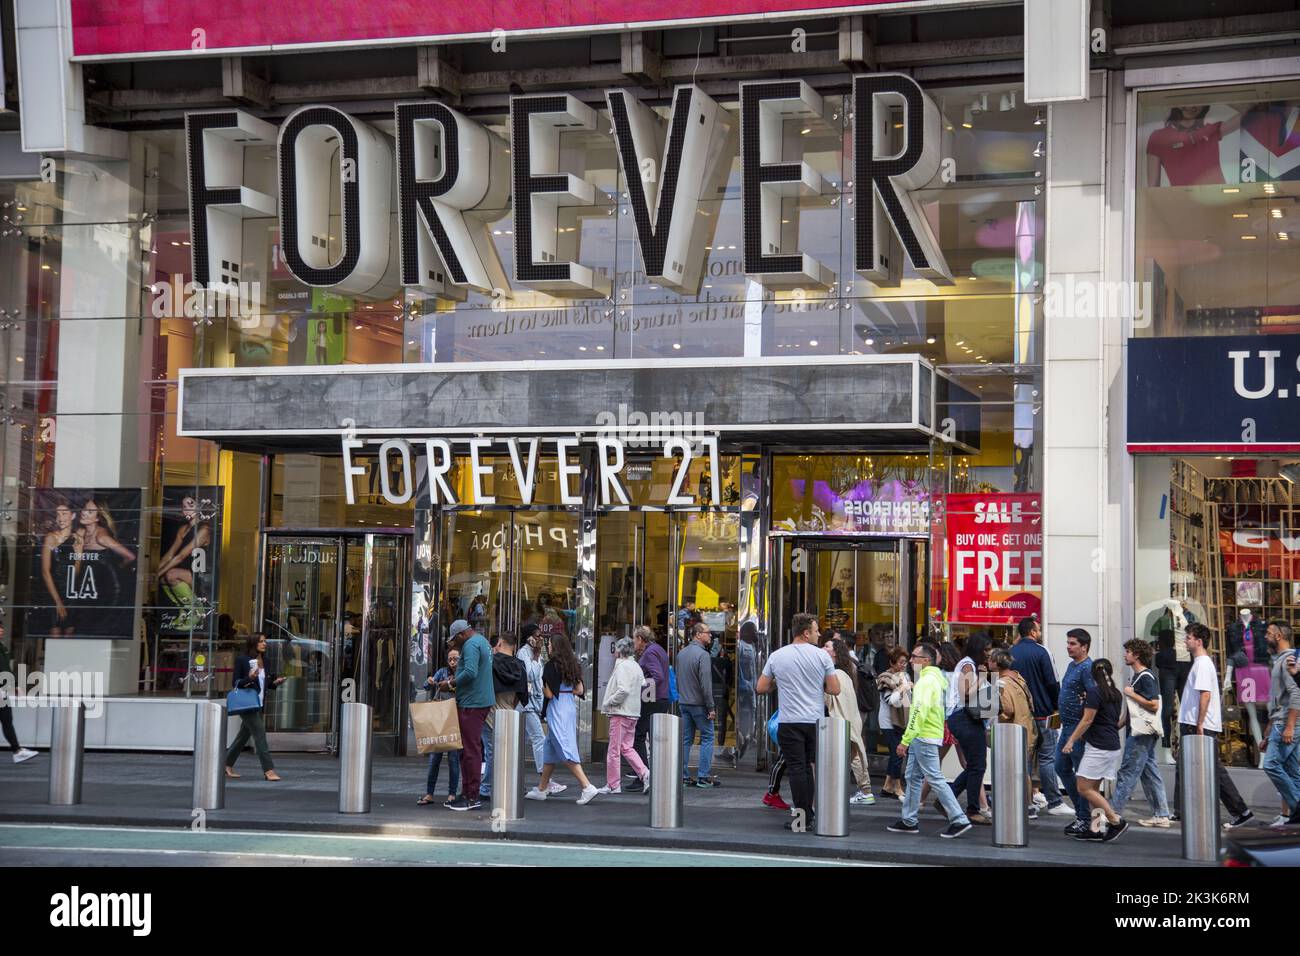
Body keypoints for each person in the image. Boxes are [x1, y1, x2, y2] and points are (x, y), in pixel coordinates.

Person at [757, 613, 840, 830]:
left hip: (789, 720)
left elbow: (761, 687)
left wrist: (778, 682)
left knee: (796, 769)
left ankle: (802, 818)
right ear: (805, 633)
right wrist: (816, 684)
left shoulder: (777, 656)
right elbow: (834, 689)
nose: (819, 634)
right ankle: (809, 815)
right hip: (814, 721)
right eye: (815, 630)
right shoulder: (822, 657)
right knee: (808, 768)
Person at [1172, 623, 1253, 828]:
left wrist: (1199, 724)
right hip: (1193, 723)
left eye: (1188, 637)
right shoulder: (1200, 663)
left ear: (1198, 641)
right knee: (1183, 766)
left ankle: (1241, 811)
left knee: (1214, 770)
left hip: (1197, 725)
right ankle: (1181, 810)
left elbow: (1205, 695)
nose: (1185, 640)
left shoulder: (1202, 664)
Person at [886, 642, 971, 838]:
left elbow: (918, 711)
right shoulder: (934, 679)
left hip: (923, 736)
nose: (911, 660)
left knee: (934, 778)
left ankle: (959, 818)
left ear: (926, 660)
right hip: (926, 735)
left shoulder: (926, 682)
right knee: (914, 777)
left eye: (915, 656)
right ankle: (909, 820)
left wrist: (905, 740)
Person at [525, 634, 600, 805]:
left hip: (557, 708)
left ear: (555, 647)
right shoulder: (573, 664)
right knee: (550, 748)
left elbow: (549, 694)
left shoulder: (551, 666)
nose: (548, 647)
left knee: (564, 746)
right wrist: (567, 690)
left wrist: (544, 687)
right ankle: (542, 788)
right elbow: (580, 690)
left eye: (549, 644)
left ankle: (587, 786)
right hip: (569, 706)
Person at [1061, 659, 1129, 843]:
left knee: (1083, 787)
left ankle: (1115, 821)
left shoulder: (1094, 692)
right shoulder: (1115, 693)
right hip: (1110, 745)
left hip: (1099, 747)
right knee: (1094, 789)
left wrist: (1071, 740)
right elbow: (1106, 717)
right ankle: (1096, 828)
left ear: (1092, 674)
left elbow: (1087, 720)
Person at [1113, 639, 1173, 828]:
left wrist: (1131, 694)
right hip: (1142, 731)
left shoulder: (1146, 677)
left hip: (1141, 733)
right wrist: (1117, 726)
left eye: (1128, 651)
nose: (1125, 655)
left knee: (1127, 772)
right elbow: (1131, 712)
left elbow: (1154, 704)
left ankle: (1113, 813)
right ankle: (1161, 814)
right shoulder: (1138, 677)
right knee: (1149, 772)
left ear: (1137, 655)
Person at [1010, 615, 1064, 814]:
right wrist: (1057, 706)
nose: (1040, 632)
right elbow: (1053, 682)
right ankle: (1054, 801)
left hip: (1019, 716)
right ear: (1032, 632)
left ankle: (1025, 803)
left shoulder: (1011, 652)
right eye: (1038, 629)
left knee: (1023, 760)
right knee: (1047, 758)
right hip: (1043, 714)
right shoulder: (1043, 652)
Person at [446, 619, 493, 811]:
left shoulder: (471, 644)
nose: (454, 644)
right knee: (468, 749)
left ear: (460, 634)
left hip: (472, 702)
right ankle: (467, 793)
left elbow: (471, 672)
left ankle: (471, 796)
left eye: (454, 639)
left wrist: (451, 683)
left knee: (470, 750)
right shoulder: (482, 641)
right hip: (479, 700)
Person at [224, 633, 285, 781]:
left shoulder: (265, 660)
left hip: (259, 703)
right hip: (247, 704)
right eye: (261, 641)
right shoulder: (242, 660)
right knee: (260, 734)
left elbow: (265, 684)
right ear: (253, 643)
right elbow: (236, 683)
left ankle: (226, 764)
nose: (265, 644)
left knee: (243, 736)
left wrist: (275, 683)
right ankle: (268, 770)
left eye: (265, 641)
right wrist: (249, 678)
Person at [1055, 628, 1098, 835]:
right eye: (1068, 642)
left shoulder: (1088, 668)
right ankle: (1082, 814)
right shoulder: (1073, 665)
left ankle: (1086, 818)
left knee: (1082, 777)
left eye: (1073, 643)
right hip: (1067, 726)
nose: (1068, 646)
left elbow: (1094, 695)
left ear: (1084, 646)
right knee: (1060, 767)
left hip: (1078, 729)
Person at [948, 632, 993, 825]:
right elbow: (965, 694)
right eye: (986, 649)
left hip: (966, 718)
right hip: (964, 717)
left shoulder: (969, 664)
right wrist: (982, 678)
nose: (989, 653)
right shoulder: (968, 665)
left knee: (976, 765)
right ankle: (972, 809)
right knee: (977, 765)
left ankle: (948, 800)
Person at [823, 637, 875, 805]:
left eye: (826, 645)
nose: (823, 648)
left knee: (850, 756)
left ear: (835, 652)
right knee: (854, 755)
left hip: (840, 722)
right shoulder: (844, 672)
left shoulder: (837, 674)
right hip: (849, 720)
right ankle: (865, 791)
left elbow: (832, 699)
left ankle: (863, 791)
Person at [480, 631, 528, 801]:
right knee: (510, 751)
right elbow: (522, 695)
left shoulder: (491, 662)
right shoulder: (520, 665)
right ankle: (516, 785)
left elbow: (484, 687)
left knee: (491, 752)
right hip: (509, 711)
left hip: (490, 711)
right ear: (514, 646)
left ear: (499, 643)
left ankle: (486, 788)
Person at [991, 647, 1038, 819]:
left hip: (1012, 732)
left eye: (990, 659)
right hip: (1027, 728)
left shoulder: (1002, 683)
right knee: (1023, 769)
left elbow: (1008, 709)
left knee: (1016, 770)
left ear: (996, 663)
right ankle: (1029, 804)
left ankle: (1024, 805)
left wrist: (996, 714)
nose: (988, 661)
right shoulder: (1019, 678)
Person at [155, 494, 213, 631]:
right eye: (184, 507)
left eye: (191, 505)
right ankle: (184, 609)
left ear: (199, 507)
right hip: (186, 572)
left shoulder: (204, 529)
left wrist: (158, 574)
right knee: (164, 577)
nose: (187, 510)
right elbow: (170, 554)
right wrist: (155, 572)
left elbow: (181, 556)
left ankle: (196, 609)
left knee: (170, 574)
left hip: (200, 576)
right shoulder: (182, 529)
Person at [600, 636, 649, 794]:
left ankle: (613, 784)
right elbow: (641, 684)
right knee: (626, 747)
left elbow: (623, 689)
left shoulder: (622, 666)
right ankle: (644, 773)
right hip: (633, 712)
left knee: (614, 750)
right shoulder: (635, 665)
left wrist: (609, 702)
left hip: (620, 712)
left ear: (620, 650)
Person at [1262, 622, 1300, 828]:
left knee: (1271, 764)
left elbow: (1296, 693)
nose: (1265, 636)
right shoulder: (1281, 660)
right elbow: (1279, 697)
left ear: (1278, 636)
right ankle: (1293, 815)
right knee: (1293, 771)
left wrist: (1289, 726)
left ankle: (1297, 809)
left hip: (1286, 721)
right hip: (1281, 721)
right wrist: (1269, 729)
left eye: (1268, 633)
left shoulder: (1289, 660)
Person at [517, 623, 560, 792]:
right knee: (538, 739)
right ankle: (545, 778)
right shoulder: (524, 653)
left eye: (541, 636)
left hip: (533, 702)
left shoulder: (536, 654)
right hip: (526, 704)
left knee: (523, 741)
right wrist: (535, 657)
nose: (540, 639)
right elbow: (530, 675)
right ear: (528, 637)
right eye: (537, 635)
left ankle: (516, 777)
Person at [677, 621, 721, 787]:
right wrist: (711, 707)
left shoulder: (682, 654)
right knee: (708, 737)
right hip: (699, 704)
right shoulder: (703, 655)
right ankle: (703, 776)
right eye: (707, 632)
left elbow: (678, 678)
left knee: (686, 739)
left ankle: (683, 776)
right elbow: (706, 684)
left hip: (684, 702)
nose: (710, 635)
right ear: (698, 635)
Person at [627, 625, 669, 793]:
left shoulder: (649, 653)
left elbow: (657, 676)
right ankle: (655, 776)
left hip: (652, 700)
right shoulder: (657, 649)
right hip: (660, 699)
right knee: (655, 739)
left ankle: (642, 775)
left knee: (638, 736)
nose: (633, 643)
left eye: (634, 639)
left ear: (640, 639)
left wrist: (640, 687)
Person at [418, 647, 461, 805]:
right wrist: (429, 681)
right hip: (439, 718)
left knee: (453, 758)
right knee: (434, 758)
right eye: (450, 658)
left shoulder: (463, 673)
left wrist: (449, 686)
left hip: (455, 719)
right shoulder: (442, 672)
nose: (452, 662)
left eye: (455, 658)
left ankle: (452, 794)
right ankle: (429, 793)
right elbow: (426, 686)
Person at [37, 496, 79, 637]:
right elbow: (45, 572)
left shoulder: (78, 539)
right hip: (52, 593)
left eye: (64, 514)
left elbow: (77, 571)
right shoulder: (51, 538)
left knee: (69, 635)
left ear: (73, 516)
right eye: (58, 514)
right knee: (55, 634)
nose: (60, 518)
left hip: (70, 594)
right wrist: (58, 602)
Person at [0, 624, 38, 763]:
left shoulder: (2, 647)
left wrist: (14, 685)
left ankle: (17, 750)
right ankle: (17, 750)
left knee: (7, 720)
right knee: (6, 720)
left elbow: (5, 668)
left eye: (2, 627)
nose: (2, 629)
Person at [877, 647, 911, 798]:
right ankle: (897, 787)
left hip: (902, 720)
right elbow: (890, 700)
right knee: (898, 754)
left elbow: (909, 698)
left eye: (905, 662)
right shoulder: (885, 678)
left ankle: (886, 787)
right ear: (892, 662)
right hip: (888, 722)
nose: (903, 665)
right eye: (900, 662)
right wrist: (903, 688)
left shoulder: (906, 676)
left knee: (895, 754)